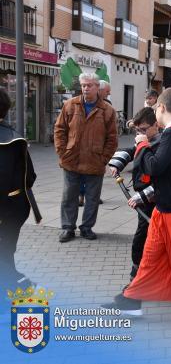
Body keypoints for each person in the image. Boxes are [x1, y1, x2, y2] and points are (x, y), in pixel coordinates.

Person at [102, 88, 171, 320]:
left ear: (161, 107)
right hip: (168, 207)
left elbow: (155, 167)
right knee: (151, 256)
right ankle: (132, 300)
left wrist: (142, 145)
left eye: (155, 109)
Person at [54, 73, 118, 243]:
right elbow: (59, 130)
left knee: (92, 198)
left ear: (98, 87)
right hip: (71, 159)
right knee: (69, 196)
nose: (86, 88)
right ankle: (68, 228)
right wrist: (62, 152)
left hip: (94, 161)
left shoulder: (107, 110)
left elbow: (112, 138)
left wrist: (103, 158)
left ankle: (87, 228)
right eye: (83, 85)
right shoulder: (70, 105)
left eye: (89, 85)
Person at [108, 108, 160, 280]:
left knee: (150, 236)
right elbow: (131, 151)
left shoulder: (162, 143)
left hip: (158, 199)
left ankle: (145, 272)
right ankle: (137, 271)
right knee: (142, 235)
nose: (140, 135)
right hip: (145, 199)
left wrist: (141, 197)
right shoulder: (145, 141)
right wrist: (117, 163)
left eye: (144, 130)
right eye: (138, 131)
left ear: (156, 125)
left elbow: (163, 177)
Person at [0, 87, 38, 290]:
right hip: (14, 207)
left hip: (6, 209)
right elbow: (30, 177)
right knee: (6, 251)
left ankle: (17, 286)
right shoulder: (16, 139)